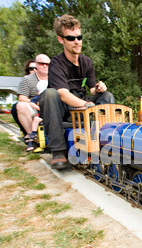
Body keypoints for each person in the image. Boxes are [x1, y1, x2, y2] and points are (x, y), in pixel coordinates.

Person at [39, 14, 115, 170]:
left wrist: (101, 88)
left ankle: (106, 141)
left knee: (107, 96)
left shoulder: (87, 62)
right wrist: (87, 105)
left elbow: (92, 89)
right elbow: (63, 94)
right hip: (63, 105)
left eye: (79, 37)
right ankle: (58, 151)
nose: (77, 41)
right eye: (71, 38)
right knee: (49, 94)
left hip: (81, 99)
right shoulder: (56, 63)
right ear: (61, 39)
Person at [16, 54, 51, 143]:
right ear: (36, 64)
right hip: (35, 106)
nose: (44, 66)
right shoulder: (27, 79)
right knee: (20, 106)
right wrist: (36, 103)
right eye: (41, 63)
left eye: (47, 64)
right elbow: (22, 97)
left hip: (52, 105)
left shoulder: (55, 77)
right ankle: (32, 136)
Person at [11, 59, 37, 136]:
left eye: (36, 67)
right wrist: (34, 103)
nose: (34, 70)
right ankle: (28, 134)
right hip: (32, 103)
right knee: (16, 107)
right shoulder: (26, 80)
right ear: (28, 70)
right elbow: (22, 98)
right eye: (31, 68)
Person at [25, 80, 48, 152]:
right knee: (36, 119)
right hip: (42, 114)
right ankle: (33, 135)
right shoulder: (39, 97)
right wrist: (38, 108)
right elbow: (31, 102)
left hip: (51, 114)